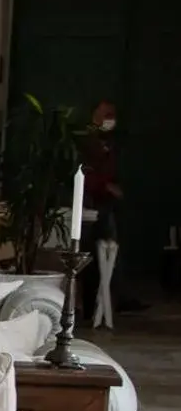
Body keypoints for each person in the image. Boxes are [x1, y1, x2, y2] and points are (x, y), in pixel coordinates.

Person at [79, 100, 122, 328]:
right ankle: (91, 308)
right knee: (89, 257)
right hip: (90, 203)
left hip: (107, 204)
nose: (110, 119)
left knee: (111, 254)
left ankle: (107, 305)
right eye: (106, 114)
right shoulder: (88, 140)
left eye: (113, 115)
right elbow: (87, 172)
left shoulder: (110, 142)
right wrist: (105, 186)